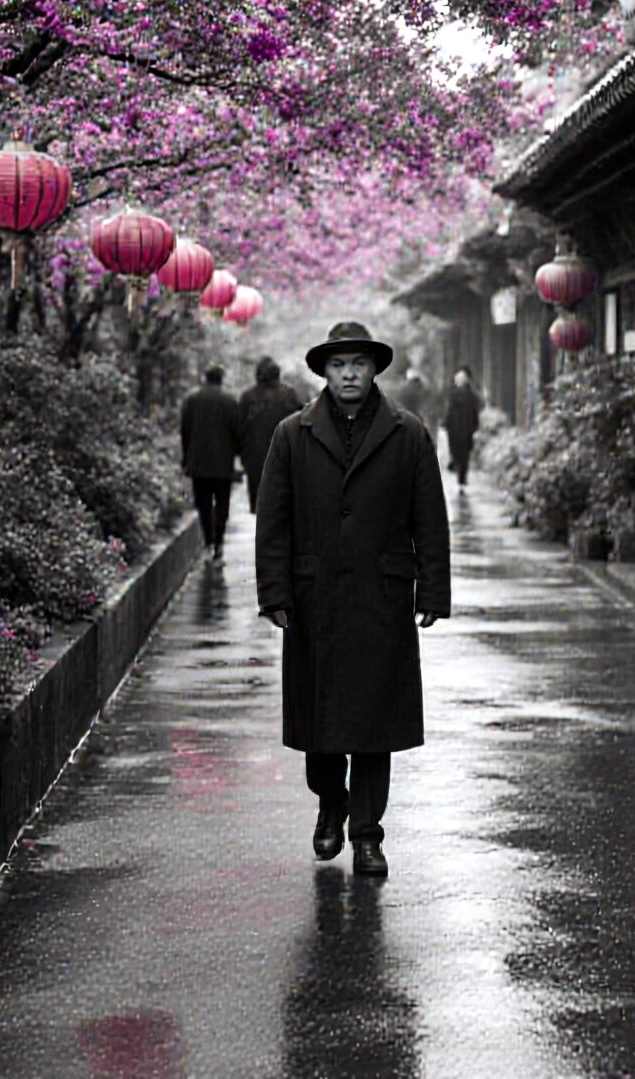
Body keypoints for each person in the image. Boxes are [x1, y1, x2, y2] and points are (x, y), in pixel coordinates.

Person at [255, 321, 452, 879]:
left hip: (380, 598)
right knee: (321, 724)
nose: (349, 374)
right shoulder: (292, 435)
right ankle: (330, 801)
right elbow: (273, 522)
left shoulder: (407, 433)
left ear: (373, 370)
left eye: (359, 365)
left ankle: (368, 834)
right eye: (339, 365)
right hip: (315, 597)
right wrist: (274, 592)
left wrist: (433, 588)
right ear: (324, 371)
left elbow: (429, 520)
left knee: (373, 724)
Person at [179, 365, 247, 558]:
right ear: (221, 379)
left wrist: (186, 457)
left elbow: (185, 431)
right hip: (223, 463)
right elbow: (239, 432)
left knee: (203, 504)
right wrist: (239, 454)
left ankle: (208, 541)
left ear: (205, 378)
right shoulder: (230, 401)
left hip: (199, 463)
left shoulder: (192, 400)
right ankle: (219, 542)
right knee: (222, 504)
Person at [238, 357, 306, 514]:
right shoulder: (289, 395)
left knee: (258, 498)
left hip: (254, 455)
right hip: (284, 453)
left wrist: (241, 452)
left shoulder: (248, 397)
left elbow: (240, 427)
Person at [442, 367, 483, 488]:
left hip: (457, 428)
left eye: (459, 379)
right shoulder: (470, 394)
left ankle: (458, 469)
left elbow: (450, 411)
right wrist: (475, 425)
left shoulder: (455, 394)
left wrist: (446, 423)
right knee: (464, 453)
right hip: (464, 428)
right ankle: (462, 474)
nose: (457, 381)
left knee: (458, 450)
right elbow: (475, 411)